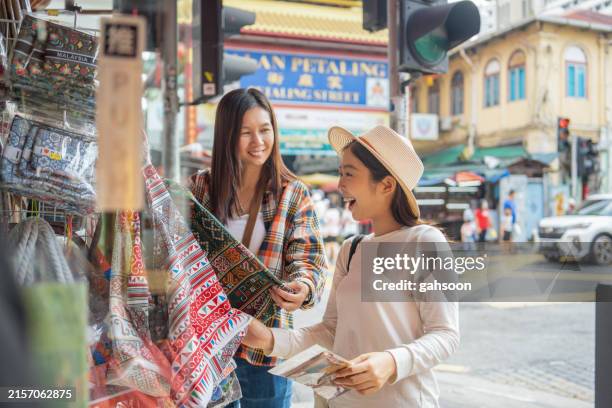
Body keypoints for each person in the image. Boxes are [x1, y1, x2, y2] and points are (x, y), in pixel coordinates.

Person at [242, 125, 459, 407]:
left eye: (349, 173)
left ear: (386, 185)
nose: (340, 184)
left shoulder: (424, 242)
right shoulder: (352, 248)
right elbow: (330, 331)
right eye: (340, 172)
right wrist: (270, 339)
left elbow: (445, 335)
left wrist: (392, 362)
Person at [190, 88, 327, 408]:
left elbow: (307, 256)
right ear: (226, 136)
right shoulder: (200, 188)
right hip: (208, 346)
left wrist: (302, 287)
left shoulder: (292, 193)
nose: (259, 142)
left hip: (265, 351)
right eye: (245, 133)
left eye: (265, 130)